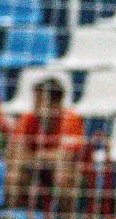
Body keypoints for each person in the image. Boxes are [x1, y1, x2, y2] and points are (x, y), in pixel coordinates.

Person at [9, 78, 86, 208]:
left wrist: (32, 155)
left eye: (39, 101)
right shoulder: (27, 118)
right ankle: (13, 216)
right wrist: (45, 156)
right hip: (34, 169)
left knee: (63, 175)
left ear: (56, 104)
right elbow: (14, 153)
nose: (35, 106)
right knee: (14, 174)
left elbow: (66, 156)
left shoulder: (71, 119)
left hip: (72, 173)